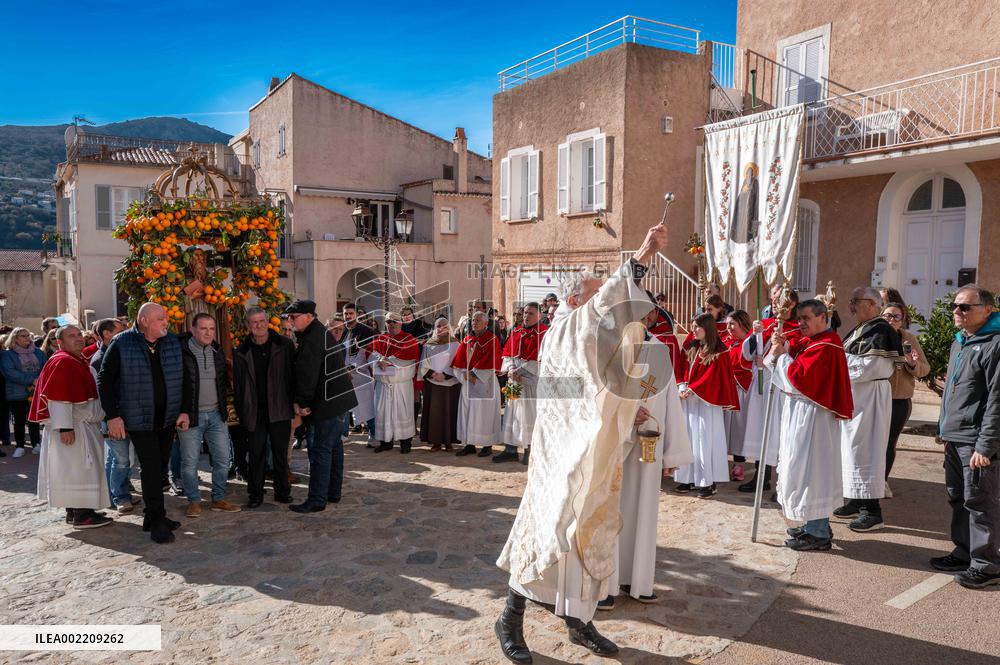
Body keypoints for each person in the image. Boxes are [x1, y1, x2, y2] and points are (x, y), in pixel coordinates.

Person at [495, 223, 667, 662]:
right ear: (574, 301)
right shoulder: (563, 331)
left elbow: (593, 383)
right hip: (560, 455)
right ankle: (509, 619)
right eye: (596, 296)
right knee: (548, 528)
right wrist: (640, 258)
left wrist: (627, 409)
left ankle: (578, 622)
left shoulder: (579, 338)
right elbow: (598, 321)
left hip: (587, 447)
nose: (606, 307)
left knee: (584, 532)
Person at [601, 305, 692, 609]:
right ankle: (606, 583)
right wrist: (626, 415)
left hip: (647, 445)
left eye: (643, 315)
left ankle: (636, 580)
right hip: (612, 444)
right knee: (610, 511)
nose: (639, 320)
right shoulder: (609, 348)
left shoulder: (659, 351)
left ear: (651, 317)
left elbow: (670, 402)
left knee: (641, 512)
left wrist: (672, 452)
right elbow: (597, 394)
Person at [767, 300, 854, 550]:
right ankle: (812, 526)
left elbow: (798, 381)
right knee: (802, 471)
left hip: (814, 418)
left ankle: (818, 533)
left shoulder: (826, 346)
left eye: (806, 318)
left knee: (813, 473)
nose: (801, 323)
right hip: (802, 414)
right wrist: (780, 346)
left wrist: (782, 355)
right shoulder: (813, 342)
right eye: (800, 318)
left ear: (822, 317)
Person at [98, 302, 186, 544]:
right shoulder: (122, 343)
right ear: (144, 321)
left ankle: (151, 516)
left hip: (166, 419)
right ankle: (157, 520)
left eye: (165, 317)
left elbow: (184, 378)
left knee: (160, 468)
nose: (165, 322)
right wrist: (112, 416)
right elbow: (104, 381)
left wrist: (185, 411)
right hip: (139, 420)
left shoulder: (170, 342)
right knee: (151, 468)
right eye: (160, 318)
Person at [933, 285, 1000, 589]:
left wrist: (985, 445)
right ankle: (964, 553)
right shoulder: (962, 340)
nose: (957, 312)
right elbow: (953, 392)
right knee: (957, 497)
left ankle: (987, 565)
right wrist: (944, 429)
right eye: (955, 306)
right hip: (956, 436)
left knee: (980, 502)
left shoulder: (994, 344)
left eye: (964, 307)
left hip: (975, 441)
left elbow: (996, 401)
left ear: (987, 309)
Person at [30, 325, 113, 529]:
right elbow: (59, 398)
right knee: (79, 469)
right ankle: (82, 514)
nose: (78, 339)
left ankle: (75, 511)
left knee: (73, 470)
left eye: (79, 335)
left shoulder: (75, 360)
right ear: (60, 342)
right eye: (71, 336)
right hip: (73, 426)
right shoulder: (63, 362)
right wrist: (65, 427)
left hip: (79, 424)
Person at [834, 287, 902, 532]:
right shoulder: (861, 328)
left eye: (856, 301)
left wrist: (839, 362)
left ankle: (872, 511)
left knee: (866, 452)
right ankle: (855, 499)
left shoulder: (881, 330)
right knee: (851, 451)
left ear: (873, 304)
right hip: (856, 398)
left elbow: (871, 368)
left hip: (870, 399)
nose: (851, 306)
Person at [285, 299, 357, 513]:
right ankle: (333, 492)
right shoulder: (316, 333)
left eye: (294, 317)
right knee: (333, 447)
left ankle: (317, 499)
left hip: (329, 402)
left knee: (321, 450)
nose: (290, 321)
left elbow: (308, 374)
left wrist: (303, 403)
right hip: (337, 400)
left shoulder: (313, 338)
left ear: (309, 316)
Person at [738, 289, 801, 493]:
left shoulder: (797, 329)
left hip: (781, 386)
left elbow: (796, 356)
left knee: (779, 432)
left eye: (778, 301)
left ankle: (782, 484)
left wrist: (772, 359)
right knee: (761, 431)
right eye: (772, 300)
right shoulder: (766, 325)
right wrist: (756, 334)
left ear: (791, 304)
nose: (774, 304)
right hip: (761, 385)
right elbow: (747, 355)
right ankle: (761, 477)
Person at [177, 314, 240, 517]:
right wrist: (180, 411)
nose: (208, 333)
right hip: (191, 417)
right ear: (193, 330)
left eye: (212, 329)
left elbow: (222, 381)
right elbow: (174, 384)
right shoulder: (181, 351)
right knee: (190, 462)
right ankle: (194, 501)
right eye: (203, 329)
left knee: (223, 460)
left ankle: (218, 498)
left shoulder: (217, 350)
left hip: (216, 415)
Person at [234, 307, 296, 509]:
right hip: (254, 411)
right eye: (254, 322)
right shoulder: (242, 351)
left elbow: (292, 376)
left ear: (267, 321)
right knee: (256, 454)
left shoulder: (284, 345)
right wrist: (242, 411)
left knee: (279, 454)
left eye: (261, 321)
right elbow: (239, 384)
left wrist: (295, 405)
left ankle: (282, 492)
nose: (258, 325)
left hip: (280, 407)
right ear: (248, 326)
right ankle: (255, 494)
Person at [674, 313, 739, 498]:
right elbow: (681, 368)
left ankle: (706, 482)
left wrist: (693, 389)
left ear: (707, 328)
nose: (693, 330)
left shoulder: (719, 350)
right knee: (688, 439)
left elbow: (714, 377)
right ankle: (686, 479)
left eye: (697, 327)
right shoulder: (690, 346)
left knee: (704, 440)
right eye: (693, 326)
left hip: (707, 403)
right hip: (689, 400)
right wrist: (681, 385)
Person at [90, 318, 137, 513]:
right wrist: (112, 417)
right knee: (121, 459)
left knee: (115, 458)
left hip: (122, 413)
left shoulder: (116, 352)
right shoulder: (101, 359)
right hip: (113, 416)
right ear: (107, 334)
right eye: (120, 329)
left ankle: (113, 493)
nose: (125, 332)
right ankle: (120, 496)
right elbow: (104, 391)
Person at [882, 302, 929, 496]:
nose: (891, 320)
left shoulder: (909, 339)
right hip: (873, 400)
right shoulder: (873, 337)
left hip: (898, 401)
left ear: (902, 320)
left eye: (896, 317)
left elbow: (925, 369)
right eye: (887, 316)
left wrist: (912, 363)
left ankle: (882, 481)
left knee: (889, 443)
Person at [494, 303, 548, 464]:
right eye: (525, 312)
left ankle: (530, 449)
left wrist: (521, 372)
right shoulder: (516, 331)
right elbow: (508, 355)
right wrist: (511, 369)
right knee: (511, 413)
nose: (526, 316)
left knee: (530, 415)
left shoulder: (545, 333)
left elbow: (542, 359)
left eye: (530, 313)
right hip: (513, 381)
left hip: (531, 382)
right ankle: (510, 449)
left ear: (539, 315)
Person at [452, 311, 503, 458]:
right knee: (468, 413)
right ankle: (469, 444)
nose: (474, 322)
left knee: (485, 414)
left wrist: (474, 374)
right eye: (473, 320)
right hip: (468, 383)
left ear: (486, 324)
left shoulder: (492, 340)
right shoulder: (467, 339)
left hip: (485, 384)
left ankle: (487, 445)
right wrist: (463, 374)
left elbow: (493, 361)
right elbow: (458, 360)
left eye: (478, 320)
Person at [368, 313, 420, 453]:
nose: (392, 324)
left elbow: (409, 358)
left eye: (395, 321)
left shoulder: (409, 339)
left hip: (401, 385)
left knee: (402, 413)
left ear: (401, 323)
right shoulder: (380, 339)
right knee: (382, 413)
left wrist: (389, 361)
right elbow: (371, 353)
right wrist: (379, 359)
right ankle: (386, 442)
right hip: (383, 385)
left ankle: (405, 443)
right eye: (389, 321)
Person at [2, 327, 47, 458]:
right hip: (17, 393)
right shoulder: (8, 354)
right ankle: (20, 446)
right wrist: (31, 379)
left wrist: (37, 380)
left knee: (34, 419)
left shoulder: (38, 352)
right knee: (19, 420)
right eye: (23, 336)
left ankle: (36, 444)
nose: (27, 338)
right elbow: (9, 372)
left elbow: (45, 368)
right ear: (15, 338)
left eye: (28, 335)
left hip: (36, 390)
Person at [419, 318, 461, 451]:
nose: (441, 328)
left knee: (450, 411)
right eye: (438, 326)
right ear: (435, 328)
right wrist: (432, 374)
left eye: (444, 326)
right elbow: (423, 364)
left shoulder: (456, 344)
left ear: (449, 327)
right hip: (433, 383)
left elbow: (458, 363)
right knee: (434, 413)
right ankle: (436, 442)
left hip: (451, 383)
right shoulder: (429, 344)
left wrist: (446, 375)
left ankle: (449, 442)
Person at [724, 311, 753, 482]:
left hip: (741, 390)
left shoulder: (749, 343)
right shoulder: (726, 342)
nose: (729, 328)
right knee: (725, 429)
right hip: (726, 390)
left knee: (738, 430)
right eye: (727, 324)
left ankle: (739, 465)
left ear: (742, 324)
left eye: (732, 324)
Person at [343, 303, 377, 444]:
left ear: (357, 314)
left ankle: (373, 433)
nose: (348, 316)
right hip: (342, 374)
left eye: (351, 313)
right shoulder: (340, 330)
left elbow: (367, 352)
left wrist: (353, 367)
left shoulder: (367, 331)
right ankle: (343, 434)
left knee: (367, 404)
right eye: (346, 313)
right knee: (343, 405)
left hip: (362, 373)